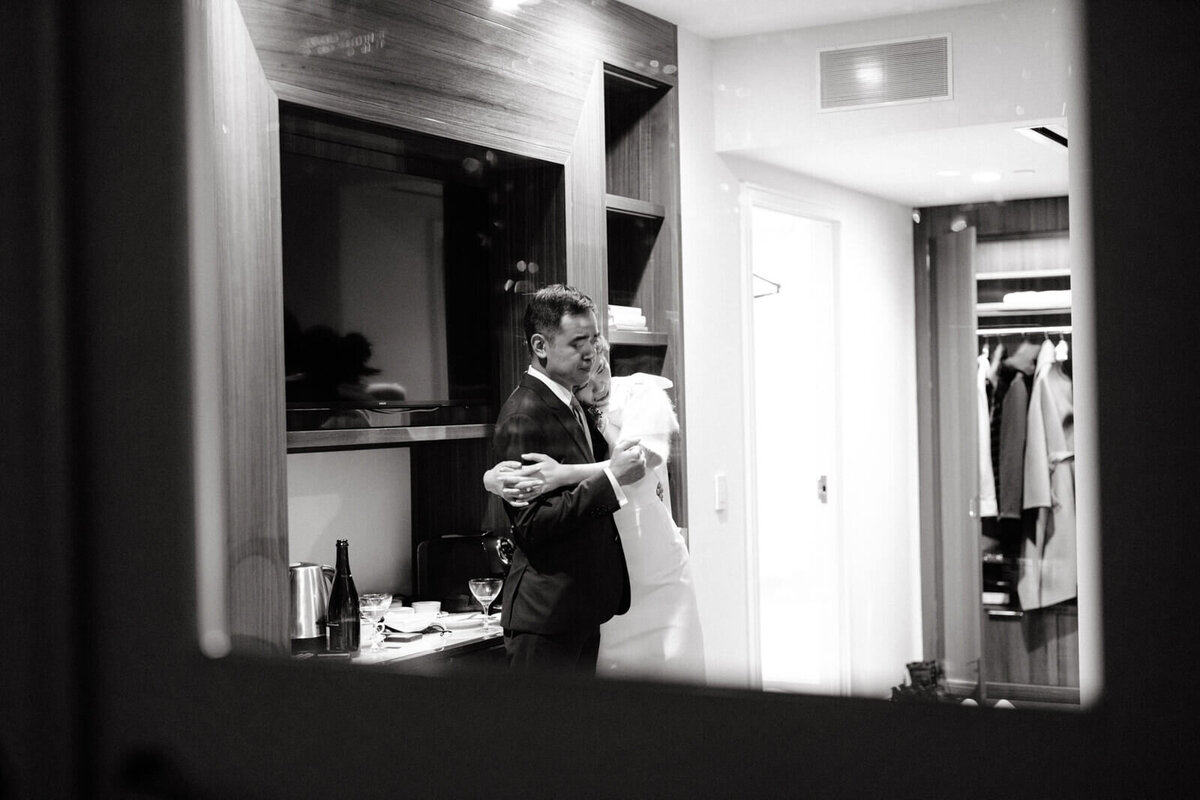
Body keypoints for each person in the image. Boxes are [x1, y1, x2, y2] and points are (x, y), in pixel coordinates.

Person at [486, 337, 707, 684]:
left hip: (657, 567)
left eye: (601, 369)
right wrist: (489, 478)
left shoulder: (641, 393)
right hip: (608, 578)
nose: (599, 385)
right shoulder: (573, 414)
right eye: (587, 384)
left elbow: (637, 463)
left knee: (675, 677)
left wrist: (562, 473)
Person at [491, 285, 647, 674]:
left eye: (593, 338)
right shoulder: (524, 413)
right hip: (544, 619)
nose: (591, 352)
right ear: (541, 345)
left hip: (576, 610)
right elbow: (533, 525)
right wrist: (612, 481)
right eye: (578, 342)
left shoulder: (566, 398)